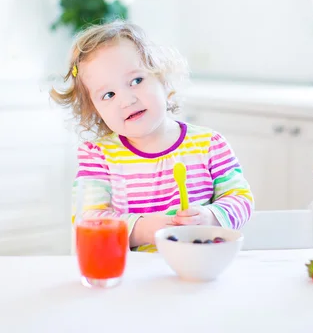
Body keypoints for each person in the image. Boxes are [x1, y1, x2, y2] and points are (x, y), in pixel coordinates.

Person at [50, 20, 254, 252]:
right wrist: (142, 229)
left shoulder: (209, 145)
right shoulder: (98, 157)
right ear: (95, 111)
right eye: (108, 94)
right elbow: (87, 221)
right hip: (134, 279)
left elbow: (241, 199)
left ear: (164, 79)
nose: (127, 100)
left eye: (136, 81)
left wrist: (211, 216)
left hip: (200, 269)